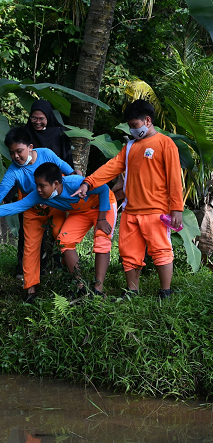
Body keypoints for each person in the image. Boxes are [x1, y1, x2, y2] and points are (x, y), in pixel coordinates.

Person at [72, 99, 183, 299]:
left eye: (134, 126)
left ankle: (165, 291)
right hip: (131, 210)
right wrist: (88, 183)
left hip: (156, 211)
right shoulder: (130, 147)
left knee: (161, 251)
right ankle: (132, 292)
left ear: (147, 121)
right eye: (130, 126)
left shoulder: (166, 144)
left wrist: (176, 209)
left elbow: (175, 178)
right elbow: (111, 167)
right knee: (129, 254)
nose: (132, 130)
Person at [0, 163, 117, 296]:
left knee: (101, 239)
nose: (38, 189)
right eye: (37, 184)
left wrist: (102, 219)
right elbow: (15, 207)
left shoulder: (74, 183)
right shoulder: (39, 196)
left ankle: (98, 289)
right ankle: (81, 286)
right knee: (64, 240)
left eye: (42, 186)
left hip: (103, 206)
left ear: (56, 184)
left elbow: (103, 188)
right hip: (80, 212)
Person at [0, 126, 75, 302]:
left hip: (54, 205)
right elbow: (0, 193)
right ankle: (31, 290)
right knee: (30, 248)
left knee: (61, 236)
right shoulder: (13, 170)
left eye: (19, 151)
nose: (15, 156)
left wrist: (79, 181)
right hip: (31, 209)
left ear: (30, 147)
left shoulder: (46, 153)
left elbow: (65, 168)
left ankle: (76, 280)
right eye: (12, 152)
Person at [12, 100, 75, 281]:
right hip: (30, 191)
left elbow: (66, 162)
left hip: (55, 190)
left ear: (48, 117)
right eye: (34, 118)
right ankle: (24, 269)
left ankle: (57, 266)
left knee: (58, 230)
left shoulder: (60, 134)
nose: (37, 122)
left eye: (41, 118)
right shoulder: (25, 135)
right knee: (29, 233)